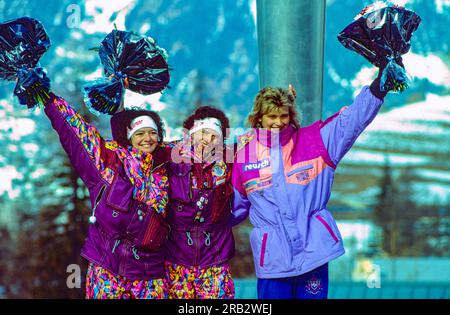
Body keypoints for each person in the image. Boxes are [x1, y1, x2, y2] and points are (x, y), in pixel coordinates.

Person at [230, 62, 400, 299]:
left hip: (314, 254)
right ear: (259, 118)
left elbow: (351, 121)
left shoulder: (315, 141)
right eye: (271, 117)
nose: (278, 122)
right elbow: (232, 209)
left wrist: (377, 89)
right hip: (273, 261)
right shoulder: (244, 158)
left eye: (284, 115)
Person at [18, 73, 171, 299]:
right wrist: (48, 98)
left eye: (152, 133)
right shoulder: (108, 164)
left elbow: (202, 145)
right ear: (129, 137)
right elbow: (77, 132)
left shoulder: (166, 169)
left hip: (150, 273)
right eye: (140, 133)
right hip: (108, 269)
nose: (147, 138)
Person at [164, 106, 235, 299]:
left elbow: (263, 140)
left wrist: (286, 102)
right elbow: (133, 149)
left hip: (215, 258)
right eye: (203, 133)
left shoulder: (229, 158)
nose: (208, 140)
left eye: (215, 136)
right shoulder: (170, 155)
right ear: (192, 134)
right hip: (176, 258)